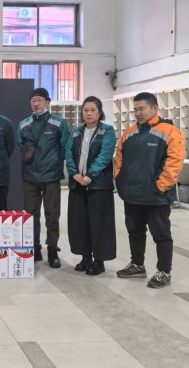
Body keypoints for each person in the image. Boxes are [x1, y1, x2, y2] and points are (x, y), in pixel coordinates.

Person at [114, 92, 185, 289]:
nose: (138, 113)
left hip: (156, 197)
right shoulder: (129, 133)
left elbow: (174, 162)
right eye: (135, 110)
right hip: (132, 194)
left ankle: (164, 271)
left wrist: (160, 186)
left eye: (142, 109)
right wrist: (120, 181)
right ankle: (137, 265)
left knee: (161, 235)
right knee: (135, 232)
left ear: (154, 108)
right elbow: (118, 159)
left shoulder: (170, 131)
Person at [18, 87, 70, 268]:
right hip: (30, 177)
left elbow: (65, 147)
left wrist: (54, 163)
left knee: (52, 215)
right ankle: (35, 248)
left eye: (39, 100)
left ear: (47, 102)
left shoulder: (59, 123)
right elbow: (20, 147)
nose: (36, 103)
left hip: (51, 176)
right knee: (31, 214)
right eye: (33, 100)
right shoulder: (23, 124)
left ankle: (53, 250)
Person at [65, 96, 116, 276]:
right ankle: (85, 257)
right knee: (79, 223)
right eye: (86, 110)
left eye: (93, 110)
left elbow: (105, 155)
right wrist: (74, 174)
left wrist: (90, 175)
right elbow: (69, 153)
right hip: (77, 185)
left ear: (100, 112)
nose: (89, 113)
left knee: (99, 223)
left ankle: (99, 261)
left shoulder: (107, 131)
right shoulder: (76, 131)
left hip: (98, 186)